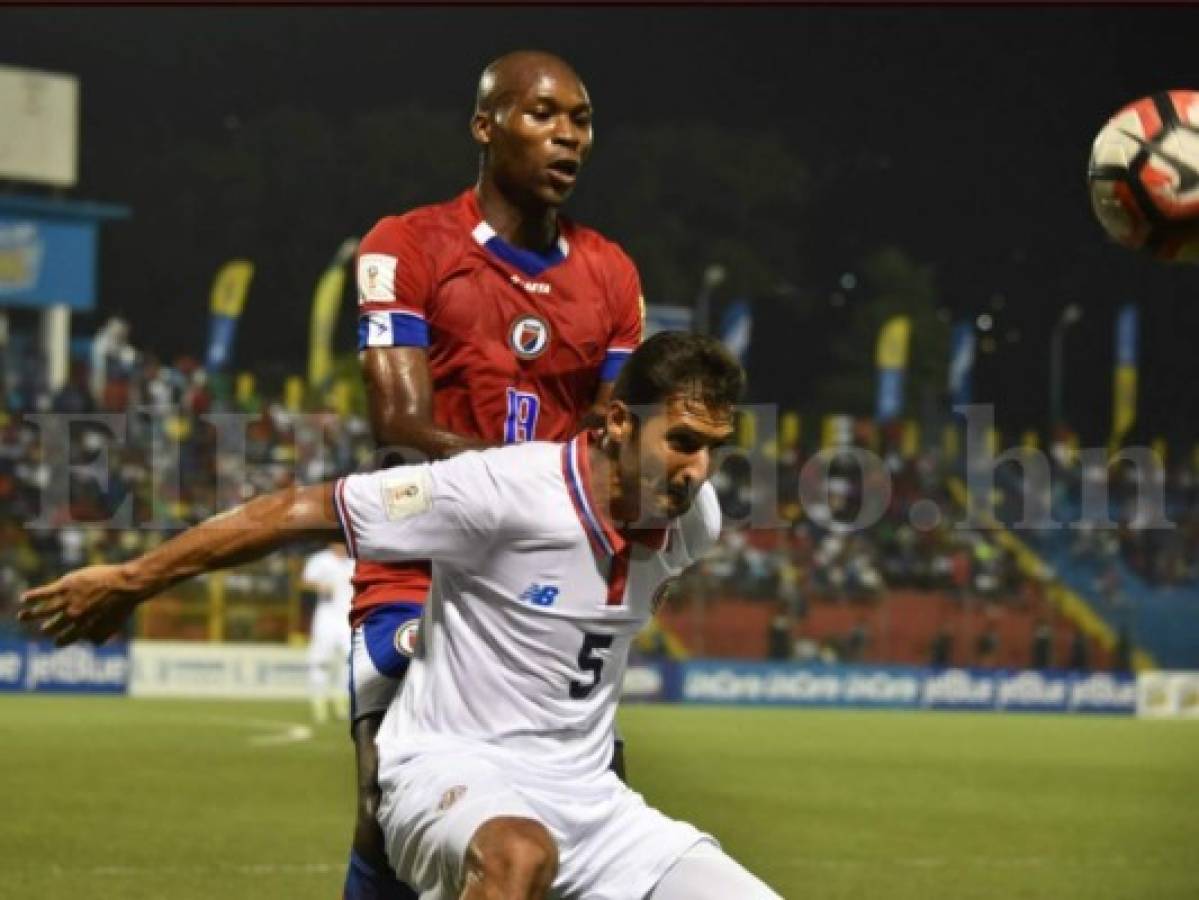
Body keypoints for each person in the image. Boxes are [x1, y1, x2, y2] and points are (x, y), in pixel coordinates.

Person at [21, 332, 780, 900]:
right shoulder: (500, 490)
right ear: (617, 422)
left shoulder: (695, 518)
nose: (698, 469)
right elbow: (304, 510)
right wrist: (131, 578)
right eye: (681, 441)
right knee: (517, 857)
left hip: (594, 806)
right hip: (450, 773)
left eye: (714, 447)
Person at [350, 50, 644, 896]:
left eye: (580, 120)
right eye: (542, 115)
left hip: (539, 582)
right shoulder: (403, 246)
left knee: (582, 814)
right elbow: (399, 426)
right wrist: (537, 481)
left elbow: (614, 444)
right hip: (414, 561)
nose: (568, 137)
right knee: (384, 798)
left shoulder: (611, 276)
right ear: (485, 126)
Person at [301, 542, 355, 723]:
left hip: (348, 617)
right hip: (326, 618)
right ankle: (319, 703)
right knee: (320, 661)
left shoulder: (353, 562)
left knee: (350, 662)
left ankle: (342, 702)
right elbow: (305, 581)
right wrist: (320, 586)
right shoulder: (320, 559)